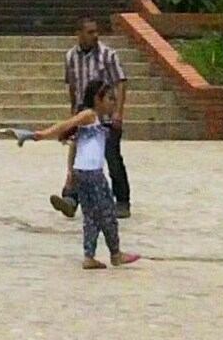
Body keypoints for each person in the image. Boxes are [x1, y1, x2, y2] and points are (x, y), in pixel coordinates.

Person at [18, 83, 139, 269]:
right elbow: (65, 125)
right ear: (98, 99)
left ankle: (89, 256)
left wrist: (71, 171)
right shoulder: (89, 115)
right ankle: (115, 254)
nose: (114, 103)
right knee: (107, 214)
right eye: (110, 99)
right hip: (93, 174)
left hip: (83, 172)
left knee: (91, 216)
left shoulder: (97, 120)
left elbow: (75, 145)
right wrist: (40, 135)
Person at [50, 18, 131, 217]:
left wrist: (118, 112)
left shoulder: (108, 55)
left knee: (112, 159)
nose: (95, 36)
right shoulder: (70, 57)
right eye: (90, 32)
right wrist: (73, 115)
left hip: (105, 117)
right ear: (79, 33)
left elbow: (120, 82)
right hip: (84, 117)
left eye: (96, 31)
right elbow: (72, 85)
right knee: (80, 159)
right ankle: (70, 198)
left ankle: (122, 200)